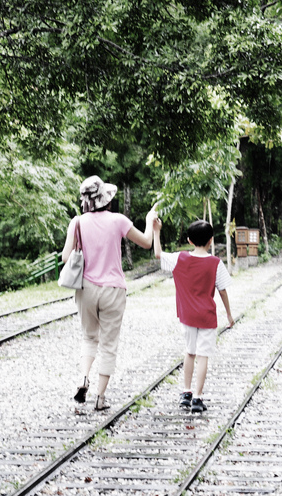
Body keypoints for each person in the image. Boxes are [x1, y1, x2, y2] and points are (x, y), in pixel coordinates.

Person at [61, 175, 158, 411]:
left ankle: (84, 377)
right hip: (113, 289)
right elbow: (146, 242)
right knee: (108, 344)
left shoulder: (77, 222)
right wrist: (150, 222)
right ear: (107, 199)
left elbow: (65, 258)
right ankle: (100, 398)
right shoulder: (118, 220)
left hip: (86, 288)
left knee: (88, 337)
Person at [153, 218, 234, 413]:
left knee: (190, 352)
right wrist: (229, 316)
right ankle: (197, 397)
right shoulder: (216, 263)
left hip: (187, 316)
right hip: (207, 317)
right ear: (211, 241)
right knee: (203, 355)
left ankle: (186, 392)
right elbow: (222, 291)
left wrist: (156, 231)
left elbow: (157, 254)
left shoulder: (179, 258)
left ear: (189, 240)